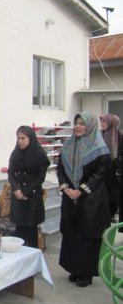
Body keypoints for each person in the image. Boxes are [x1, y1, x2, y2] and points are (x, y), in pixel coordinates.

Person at [58, 112, 111, 287]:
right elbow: (60, 170)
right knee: (72, 235)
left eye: (82, 123)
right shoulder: (67, 146)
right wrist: (66, 188)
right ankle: (74, 269)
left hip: (91, 201)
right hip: (71, 199)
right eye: (76, 123)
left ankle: (85, 273)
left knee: (87, 237)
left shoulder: (99, 149)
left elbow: (100, 174)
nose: (78, 126)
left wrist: (80, 191)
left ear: (90, 126)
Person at [8, 126, 50, 248]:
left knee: (31, 233)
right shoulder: (15, 153)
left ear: (30, 138)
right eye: (18, 138)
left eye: (23, 138)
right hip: (17, 196)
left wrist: (24, 192)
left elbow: (40, 178)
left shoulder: (39, 154)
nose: (20, 141)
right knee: (19, 232)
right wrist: (16, 189)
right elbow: (11, 172)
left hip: (32, 197)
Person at [100, 114, 121, 218]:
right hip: (100, 177)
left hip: (114, 179)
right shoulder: (99, 137)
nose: (102, 124)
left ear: (111, 123)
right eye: (101, 121)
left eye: (104, 121)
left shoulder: (120, 137)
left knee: (110, 206)